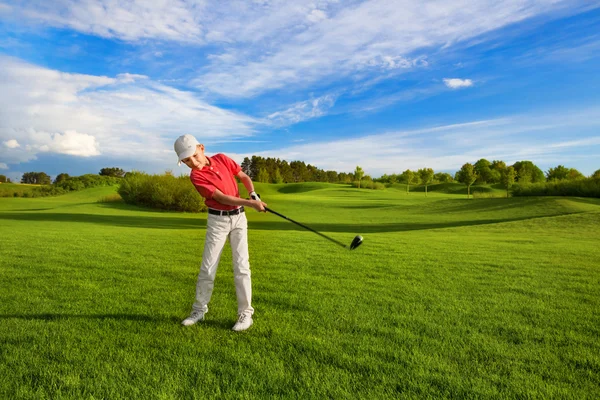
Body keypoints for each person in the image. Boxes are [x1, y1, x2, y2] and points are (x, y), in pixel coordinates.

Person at [174, 134, 267, 331]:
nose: (192, 163)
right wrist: (251, 204)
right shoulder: (196, 176)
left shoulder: (222, 159)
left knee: (242, 267)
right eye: (186, 161)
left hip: (239, 219)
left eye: (193, 156)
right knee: (208, 268)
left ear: (201, 148)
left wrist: (253, 194)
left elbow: (243, 176)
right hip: (218, 221)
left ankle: (245, 315)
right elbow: (222, 198)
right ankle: (198, 310)